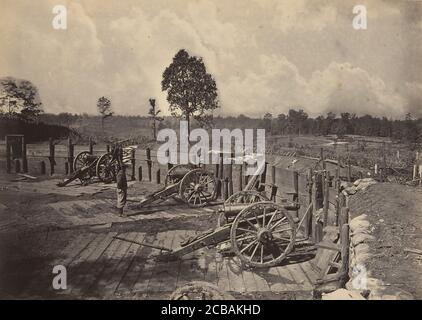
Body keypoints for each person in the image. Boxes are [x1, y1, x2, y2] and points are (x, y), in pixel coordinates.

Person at [115, 148, 128, 216]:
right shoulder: (121, 173)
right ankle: (120, 213)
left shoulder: (120, 172)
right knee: (121, 200)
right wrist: (121, 188)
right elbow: (119, 182)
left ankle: (120, 213)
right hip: (121, 188)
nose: (125, 169)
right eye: (124, 168)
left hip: (121, 188)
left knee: (121, 200)